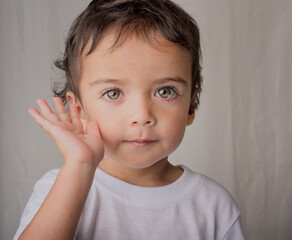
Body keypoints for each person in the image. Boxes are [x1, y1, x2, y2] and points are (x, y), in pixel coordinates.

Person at [14, 0, 244, 239]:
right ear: (79, 110)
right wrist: (79, 166)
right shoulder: (61, 190)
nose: (142, 116)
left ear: (190, 107)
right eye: (113, 93)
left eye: (165, 91)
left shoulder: (214, 205)